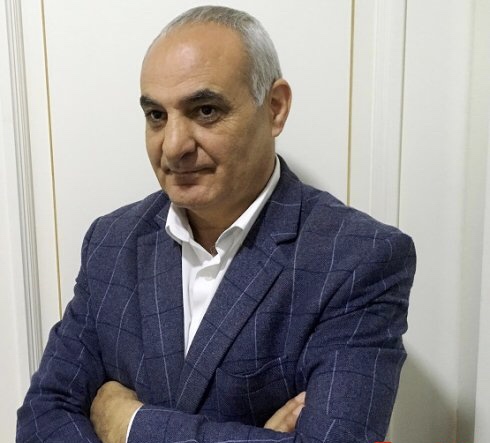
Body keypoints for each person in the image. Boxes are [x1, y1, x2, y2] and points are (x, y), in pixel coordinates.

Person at [17, 5, 416, 443]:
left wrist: (130, 425)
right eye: (156, 116)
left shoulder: (359, 258)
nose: (173, 146)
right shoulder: (111, 242)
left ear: (275, 108)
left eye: (205, 110)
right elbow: (42, 416)